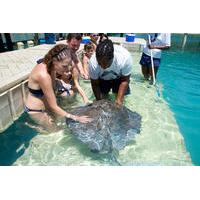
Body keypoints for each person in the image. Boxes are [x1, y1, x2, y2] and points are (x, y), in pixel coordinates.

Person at [25, 44, 92, 131]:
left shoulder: (50, 66)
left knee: (60, 126)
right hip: (37, 111)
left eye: (68, 65)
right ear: (54, 61)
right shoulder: (44, 75)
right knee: (55, 132)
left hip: (47, 107)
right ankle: (34, 126)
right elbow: (54, 106)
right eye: (64, 66)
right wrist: (75, 117)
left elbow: (52, 90)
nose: (67, 69)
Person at [88, 39, 133, 108]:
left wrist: (119, 100)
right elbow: (95, 84)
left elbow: (125, 80)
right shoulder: (93, 62)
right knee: (102, 100)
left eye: (106, 64)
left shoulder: (125, 58)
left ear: (112, 57)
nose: (103, 67)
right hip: (102, 79)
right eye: (99, 63)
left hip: (120, 79)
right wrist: (99, 101)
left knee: (120, 102)